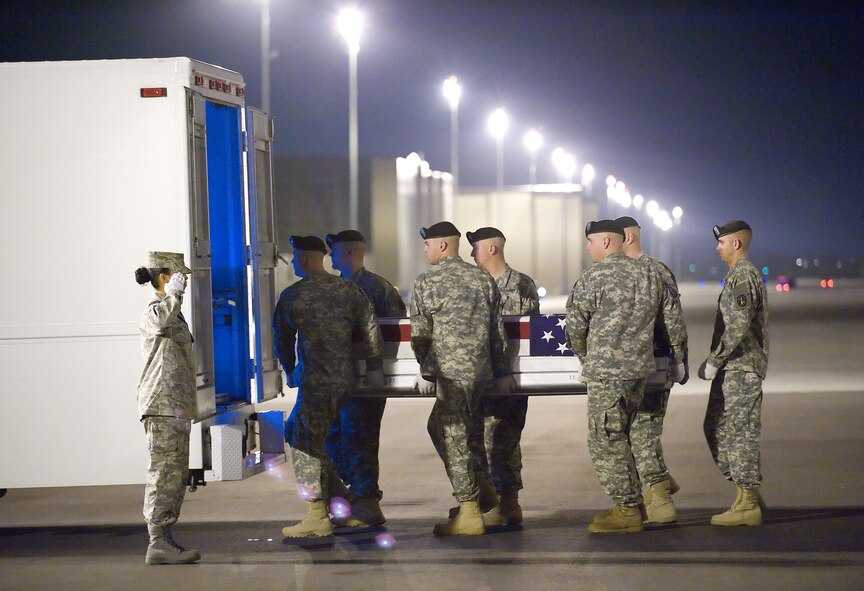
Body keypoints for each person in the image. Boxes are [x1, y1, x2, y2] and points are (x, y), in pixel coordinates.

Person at [565, 220, 687, 534]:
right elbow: (672, 319)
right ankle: (644, 499)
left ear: (606, 242)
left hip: (606, 372)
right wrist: (679, 357)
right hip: (640, 372)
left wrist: (585, 357)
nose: (588, 247)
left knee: (606, 439)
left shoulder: (595, 275)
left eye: (591, 241)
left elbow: (575, 326)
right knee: (630, 435)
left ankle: (627, 509)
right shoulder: (649, 273)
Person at [274, 235, 384, 538]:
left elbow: (282, 339)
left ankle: (317, 513)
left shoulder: (293, 296)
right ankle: (341, 496)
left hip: (316, 382)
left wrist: (289, 370)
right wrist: (374, 367)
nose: (295, 262)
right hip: (345, 382)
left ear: (306, 259)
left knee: (303, 442)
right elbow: (371, 330)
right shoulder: (349, 290)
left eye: (296, 257)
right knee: (299, 431)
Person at [410, 221, 513, 536]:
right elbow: (498, 333)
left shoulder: (427, 282)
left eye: (428, 243)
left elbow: (421, 335)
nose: (425, 249)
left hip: (452, 375)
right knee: (462, 435)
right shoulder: (482, 278)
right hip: (480, 374)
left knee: (452, 436)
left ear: (442, 245)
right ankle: (482, 491)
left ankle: (470, 511)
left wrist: (427, 370)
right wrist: (500, 371)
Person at [324, 229, 407, 527]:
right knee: (336, 439)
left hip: (366, 382)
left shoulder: (377, 288)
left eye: (334, 250)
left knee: (360, 440)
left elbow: (394, 334)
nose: (330, 255)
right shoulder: (335, 287)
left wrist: (377, 369)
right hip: (341, 381)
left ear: (348, 252)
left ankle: (367, 502)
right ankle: (355, 496)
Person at [616, 216, 689, 524]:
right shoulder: (628, 271)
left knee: (643, 431)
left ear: (628, 238)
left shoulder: (653, 271)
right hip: (624, 369)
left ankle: (659, 497)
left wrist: (678, 358)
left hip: (652, 367)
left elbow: (673, 318)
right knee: (628, 433)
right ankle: (657, 484)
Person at [467, 226, 540, 526]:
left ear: (492, 249)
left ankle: (508, 503)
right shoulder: (473, 284)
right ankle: (489, 502)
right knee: (476, 441)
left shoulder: (521, 284)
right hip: (480, 377)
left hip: (510, 378)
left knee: (504, 441)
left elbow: (531, 333)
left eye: (476, 247)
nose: (471, 253)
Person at [698, 220, 769, 526]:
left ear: (736, 244)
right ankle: (746, 490)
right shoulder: (736, 275)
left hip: (741, 368)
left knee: (741, 434)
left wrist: (714, 360)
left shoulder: (744, 275)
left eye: (722, 242)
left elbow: (738, 324)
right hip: (731, 368)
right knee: (714, 427)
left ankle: (748, 502)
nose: (718, 247)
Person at [134, 251, 201, 565]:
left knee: (175, 475)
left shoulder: (174, 311)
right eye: (179, 275)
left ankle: (165, 538)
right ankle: (157, 542)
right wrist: (174, 293)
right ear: (165, 276)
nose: (184, 279)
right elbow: (161, 320)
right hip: (161, 405)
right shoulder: (155, 310)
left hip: (175, 406)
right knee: (163, 474)